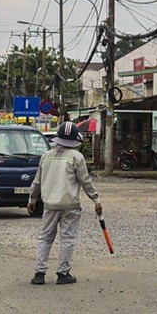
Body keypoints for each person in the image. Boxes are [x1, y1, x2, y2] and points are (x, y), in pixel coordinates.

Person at [30, 120, 101, 286]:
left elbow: (37, 182)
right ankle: (63, 274)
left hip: (50, 206)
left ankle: (39, 274)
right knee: (67, 238)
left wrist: (32, 199)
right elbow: (85, 181)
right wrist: (96, 199)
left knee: (45, 238)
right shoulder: (77, 157)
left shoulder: (46, 156)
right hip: (70, 206)